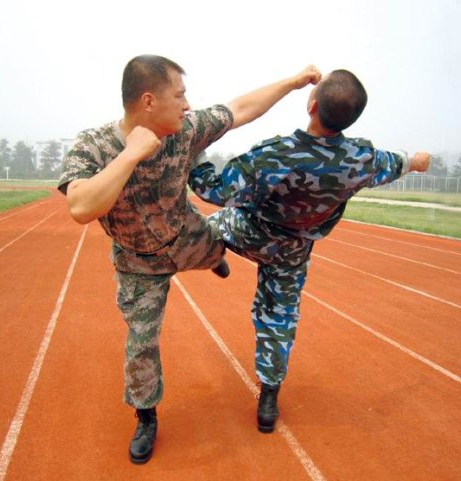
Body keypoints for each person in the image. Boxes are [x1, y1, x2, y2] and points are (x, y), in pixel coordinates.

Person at [58, 54, 321, 464]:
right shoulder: (92, 145)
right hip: (138, 261)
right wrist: (129, 155)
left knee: (219, 243)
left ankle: (214, 255)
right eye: (179, 95)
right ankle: (146, 417)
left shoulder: (185, 129)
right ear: (148, 101)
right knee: (141, 344)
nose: (187, 104)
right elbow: (80, 207)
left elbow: (239, 109)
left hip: (188, 236)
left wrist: (293, 82)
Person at [189, 69, 431, 434]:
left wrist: (197, 148)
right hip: (294, 251)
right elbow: (396, 163)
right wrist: (417, 160)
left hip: (250, 233)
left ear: (311, 105)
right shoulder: (361, 158)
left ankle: (213, 255)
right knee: (279, 318)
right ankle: (269, 397)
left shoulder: (276, 155)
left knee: (209, 226)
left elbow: (212, 189)